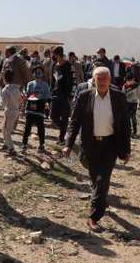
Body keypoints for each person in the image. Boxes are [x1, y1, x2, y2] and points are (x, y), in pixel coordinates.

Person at [64, 66, 131, 232]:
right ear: (93, 80)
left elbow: (125, 125)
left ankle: (93, 217)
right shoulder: (84, 96)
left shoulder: (119, 97)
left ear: (110, 80)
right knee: (96, 180)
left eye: (104, 78)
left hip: (110, 144)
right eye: (98, 78)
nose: (101, 82)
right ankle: (101, 200)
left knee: (102, 179)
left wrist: (126, 150)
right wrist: (68, 145)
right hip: (90, 144)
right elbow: (74, 122)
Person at [22, 65, 51, 152]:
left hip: (40, 108)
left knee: (40, 128)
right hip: (30, 108)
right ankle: (24, 144)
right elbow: (27, 94)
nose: (38, 74)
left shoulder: (45, 85)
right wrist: (25, 97)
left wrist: (47, 104)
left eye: (40, 72)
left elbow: (47, 97)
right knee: (27, 127)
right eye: (36, 72)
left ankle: (41, 145)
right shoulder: (30, 84)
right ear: (33, 74)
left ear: (42, 74)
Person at [51, 46, 74, 144]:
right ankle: (64, 129)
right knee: (53, 116)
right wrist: (51, 91)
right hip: (55, 94)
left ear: (57, 54)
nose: (52, 56)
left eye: (53, 54)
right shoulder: (54, 65)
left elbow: (73, 81)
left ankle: (61, 138)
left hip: (65, 95)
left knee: (64, 117)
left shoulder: (68, 65)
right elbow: (52, 80)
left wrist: (71, 95)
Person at [0, 70, 21, 155]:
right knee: (4, 128)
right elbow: (19, 100)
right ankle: (6, 144)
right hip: (15, 111)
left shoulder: (5, 90)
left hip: (9, 112)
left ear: (4, 78)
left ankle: (11, 148)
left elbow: (4, 103)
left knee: (6, 131)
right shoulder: (17, 88)